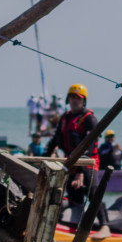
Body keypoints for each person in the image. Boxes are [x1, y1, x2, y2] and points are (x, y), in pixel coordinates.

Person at [44, 85, 100, 222]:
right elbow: (54, 140)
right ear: (68, 99)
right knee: (72, 192)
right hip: (71, 161)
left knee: (92, 193)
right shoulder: (65, 117)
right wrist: (44, 158)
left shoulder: (89, 119)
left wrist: (80, 170)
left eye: (78, 98)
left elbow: (90, 145)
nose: (75, 101)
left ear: (84, 101)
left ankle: (105, 226)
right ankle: (73, 222)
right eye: (72, 97)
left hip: (88, 162)